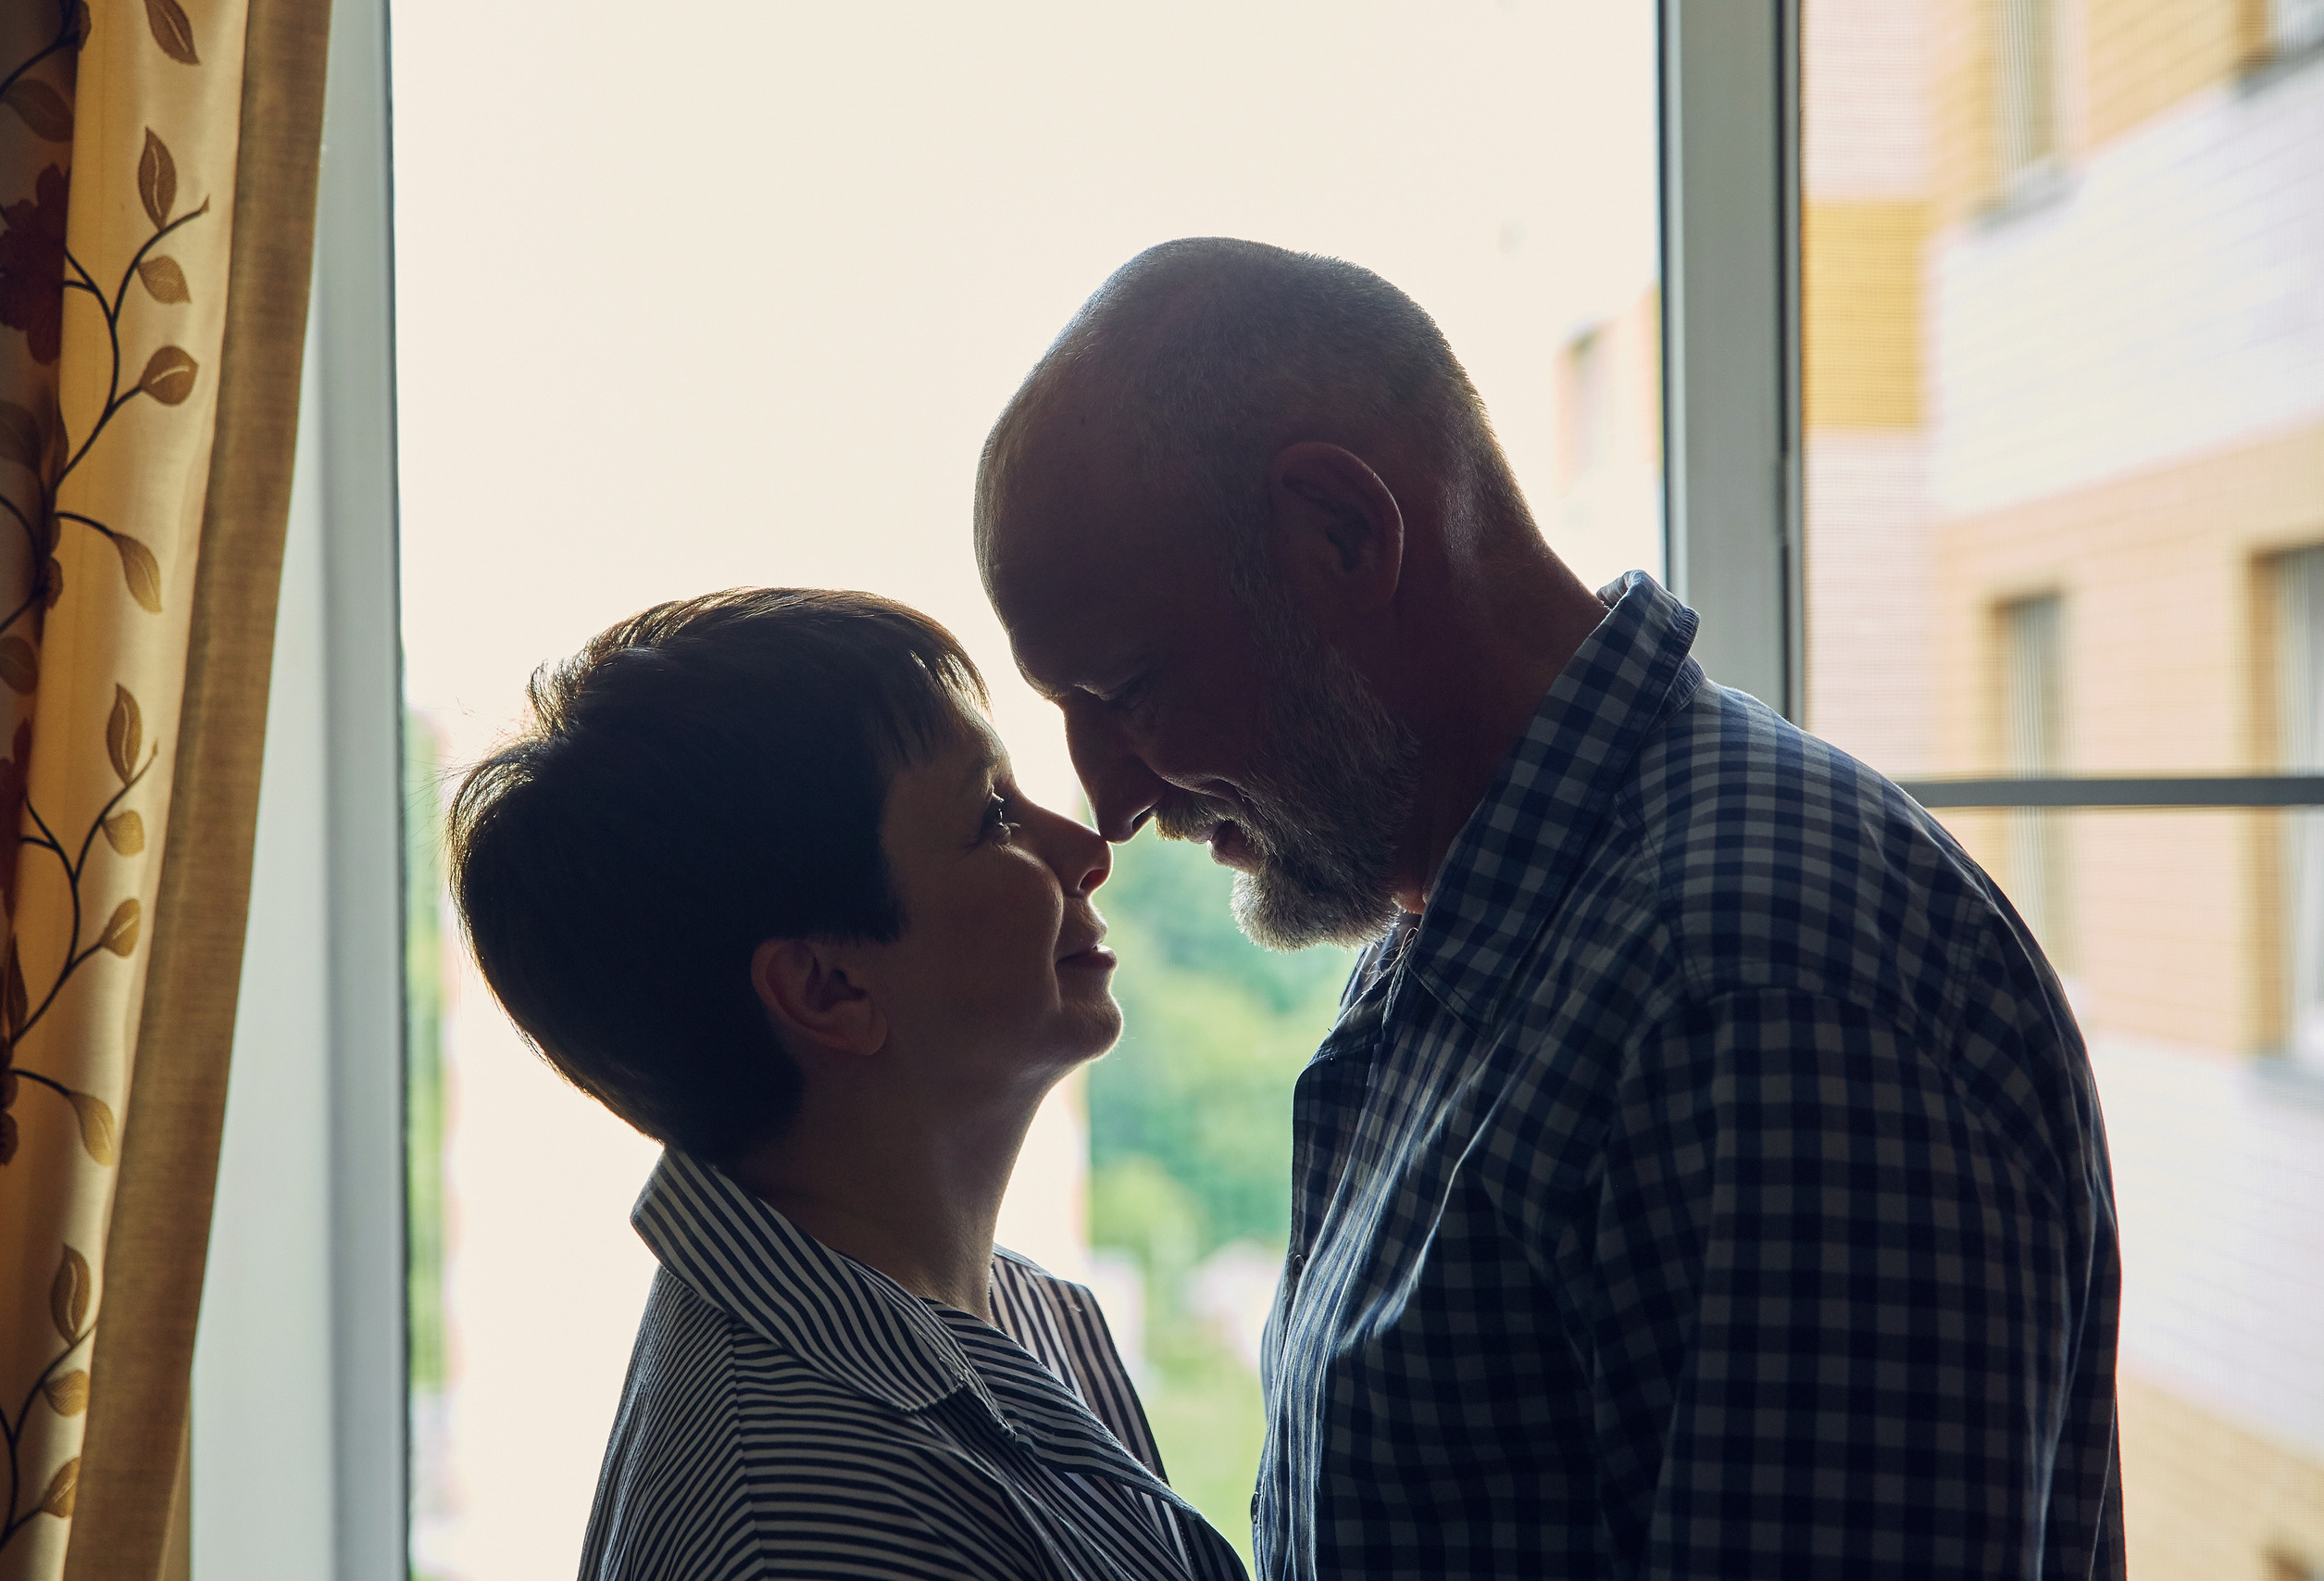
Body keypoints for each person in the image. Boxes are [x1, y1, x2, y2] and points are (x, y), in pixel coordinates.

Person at [976, 238, 2124, 1580]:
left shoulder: (1754, 997)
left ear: (1341, 533)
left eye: (1128, 686)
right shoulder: (1470, 899)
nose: (1109, 800)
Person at [445, 589, 1246, 1581]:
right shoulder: (809, 1516)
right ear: (827, 988)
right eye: (993, 818)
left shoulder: (981, 1325)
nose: (1087, 852)